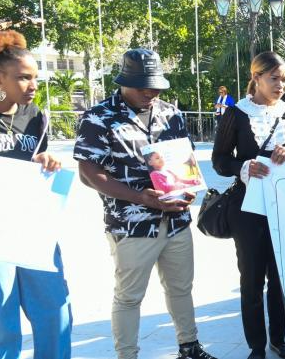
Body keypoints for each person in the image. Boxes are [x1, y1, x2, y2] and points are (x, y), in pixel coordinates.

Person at [73, 48, 216, 359]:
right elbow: (88, 173)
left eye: (155, 86)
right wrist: (139, 197)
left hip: (176, 220)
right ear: (124, 82)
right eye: (143, 86)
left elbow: (185, 162)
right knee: (128, 297)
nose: (150, 92)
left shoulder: (171, 114)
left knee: (180, 289)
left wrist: (188, 188)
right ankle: (127, 355)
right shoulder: (98, 117)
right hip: (131, 223)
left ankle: (189, 347)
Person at [212, 52, 285, 359]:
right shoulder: (237, 113)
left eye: (284, 79)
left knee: (280, 277)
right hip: (247, 207)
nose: (281, 85)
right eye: (275, 78)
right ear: (256, 78)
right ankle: (256, 346)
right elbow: (219, 160)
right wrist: (243, 167)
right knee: (252, 278)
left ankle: (278, 339)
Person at [0, 30, 71, 359]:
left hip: (31, 227)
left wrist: (47, 159)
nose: (32, 85)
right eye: (23, 78)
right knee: (4, 327)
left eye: (35, 78)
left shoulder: (36, 118)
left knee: (56, 314)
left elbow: (36, 162)